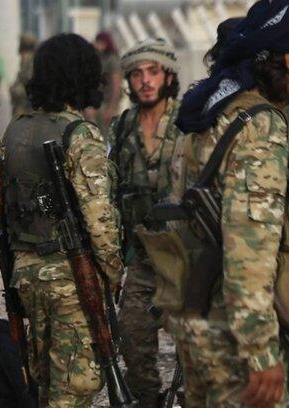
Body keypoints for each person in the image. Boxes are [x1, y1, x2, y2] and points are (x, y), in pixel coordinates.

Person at [165, 1, 289, 406]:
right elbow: (248, 253)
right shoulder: (260, 126)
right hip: (235, 338)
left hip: (198, 318)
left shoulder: (216, 106)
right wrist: (260, 352)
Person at [0, 33, 123, 407]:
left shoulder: (15, 131)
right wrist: (113, 275)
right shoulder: (80, 134)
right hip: (72, 279)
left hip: (25, 277)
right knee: (74, 388)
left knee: (42, 382)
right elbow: (100, 223)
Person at [108, 38, 183, 408]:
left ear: (168, 75)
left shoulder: (189, 123)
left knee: (199, 349)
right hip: (142, 255)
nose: (145, 81)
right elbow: (109, 190)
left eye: (153, 71)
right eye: (137, 74)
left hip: (186, 256)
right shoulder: (122, 128)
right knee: (133, 337)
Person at [93, 31, 122, 132]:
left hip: (107, 103)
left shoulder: (112, 59)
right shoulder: (99, 58)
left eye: (101, 42)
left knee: (106, 133)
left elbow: (116, 85)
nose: (97, 45)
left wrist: (111, 108)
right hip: (99, 102)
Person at [10, 34, 37, 117]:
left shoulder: (31, 64)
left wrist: (15, 90)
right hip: (23, 109)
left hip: (27, 111)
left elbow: (31, 88)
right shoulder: (26, 63)